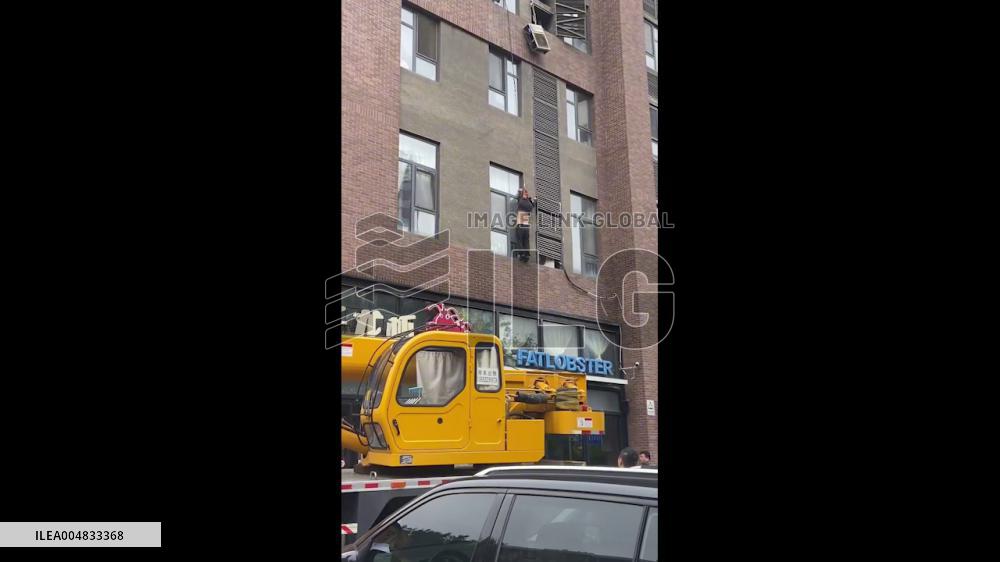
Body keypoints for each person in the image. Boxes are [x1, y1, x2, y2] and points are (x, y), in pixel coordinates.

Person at [513, 188, 535, 262]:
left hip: (520, 224)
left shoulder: (521, 201)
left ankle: (522, 253)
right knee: (526, 240)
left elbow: (519, 197)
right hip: (526, 225)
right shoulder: (529, 204)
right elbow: (532, 205)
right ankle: (526, 254)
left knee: (519, 239)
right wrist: (533, 201)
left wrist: (520, 191)